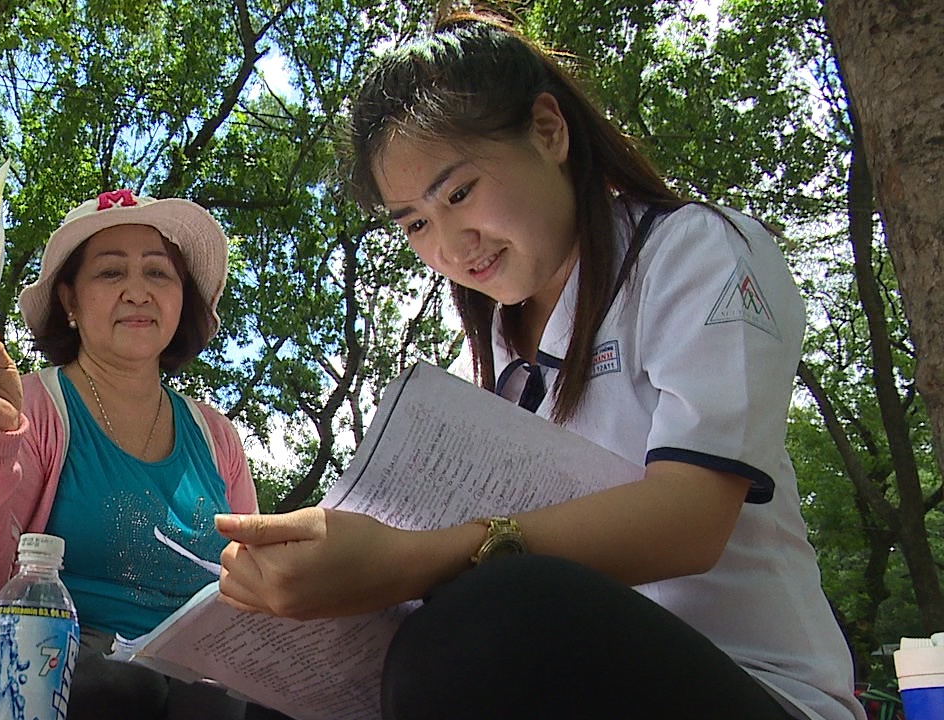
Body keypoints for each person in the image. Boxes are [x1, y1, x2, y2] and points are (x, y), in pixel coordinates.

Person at [214, 12, 863, 720]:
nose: (452, 244)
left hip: (756, 687)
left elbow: (690, 519)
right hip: (570, 681)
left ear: (548, 131)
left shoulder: (693, 254)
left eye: (459, 193)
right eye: (415, 224)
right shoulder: (498, 343)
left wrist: (410, 559)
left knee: (487, 619)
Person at [0, 190, 259, 720]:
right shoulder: (28, 410)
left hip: (196, 687)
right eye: (111, 273)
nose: (138, 291)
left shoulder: (217, 437)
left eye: (159, 275)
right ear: (70, 301)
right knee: (115, 692)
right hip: (51, 679)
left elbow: (250, 593)